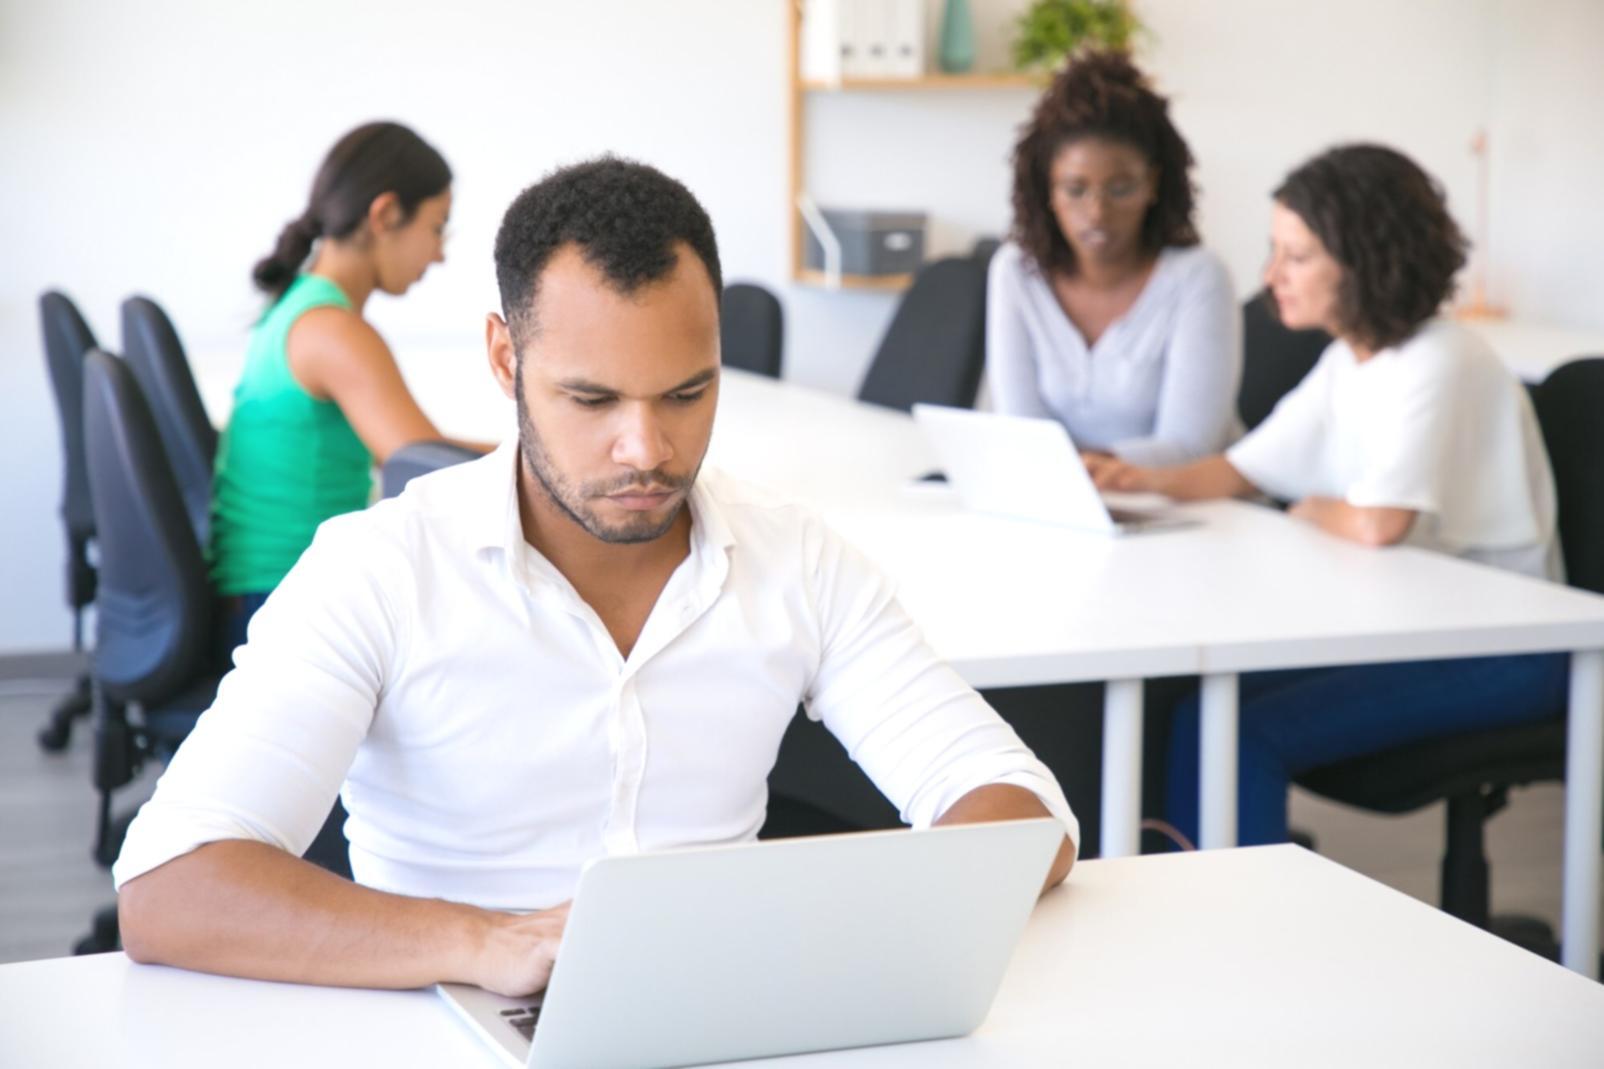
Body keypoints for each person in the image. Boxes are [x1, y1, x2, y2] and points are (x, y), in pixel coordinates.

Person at [113, 157, 1078, 997]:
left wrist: (815, 927)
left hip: (722, 1017)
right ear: (506, 358)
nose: (646, 448)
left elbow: (1019, 805)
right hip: (444, 1020)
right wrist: (486, 941)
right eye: (591, 397)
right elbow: (168, 888)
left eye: (687, 393)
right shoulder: (379, 570)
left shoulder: (796, 558)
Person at [1088, 143, 1566, 845]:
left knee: (1243, 729)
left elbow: (1379, 524)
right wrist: (1130, 479)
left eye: (1297, 256)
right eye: (1275, 251)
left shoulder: (1440, 357)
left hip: (1511, 652)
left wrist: (1308, 508)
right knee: (1193, 707)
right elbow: (1243, 469)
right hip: (1417, 626)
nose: (1272, 275)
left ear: (1364, 259)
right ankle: (1195, 900)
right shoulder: (1349, 359)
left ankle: (1246, 928)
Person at [211, 120, 488, 650]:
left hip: (257, 589)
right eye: (437, 227)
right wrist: (546, 454)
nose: (439, 253)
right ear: (385, 214)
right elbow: (421, 467)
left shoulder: (298, 305)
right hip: (278, 600)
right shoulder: (332, 330)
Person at [987, 49, 1240, 467]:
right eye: (1075, 190)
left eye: (1120, 189)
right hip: (1065, 504)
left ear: (1152, 184)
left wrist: (1076, 470)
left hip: (1188, 510)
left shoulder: (1199, 278)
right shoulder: (1016, 272)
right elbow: (1020, 429)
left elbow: (1189, 447)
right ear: (1047, 191)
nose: (1097, 213)